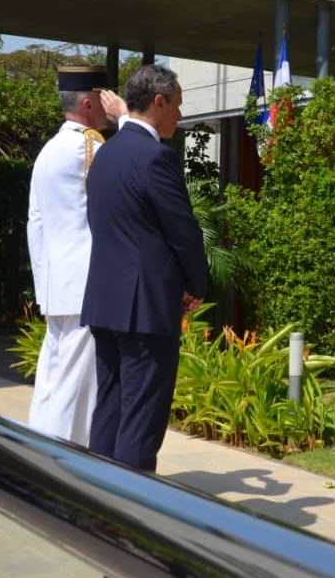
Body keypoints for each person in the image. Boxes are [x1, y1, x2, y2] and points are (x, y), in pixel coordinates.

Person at [81, 64, 208, 472]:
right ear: (159, 101)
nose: (180, 116)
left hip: (105, 300)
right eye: (178, 105)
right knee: (141, 417)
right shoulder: (155, 157)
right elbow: (183, 232)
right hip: (145, 309)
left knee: (111, 407)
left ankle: (98, 501)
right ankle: (131, 515)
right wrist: (195, 286)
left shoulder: (104, 154)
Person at [26, 65, 124, 445]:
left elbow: (35, 222)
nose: (107, 105)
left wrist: (42, 285)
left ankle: (39, 450)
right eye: (103, 98)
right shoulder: (91, 147)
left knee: (53, 376)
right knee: (76, 384)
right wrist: (127, 119)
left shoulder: (48, 151)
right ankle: (62, 461)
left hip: (57, 283)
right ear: (88, 103)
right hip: (87, 284)